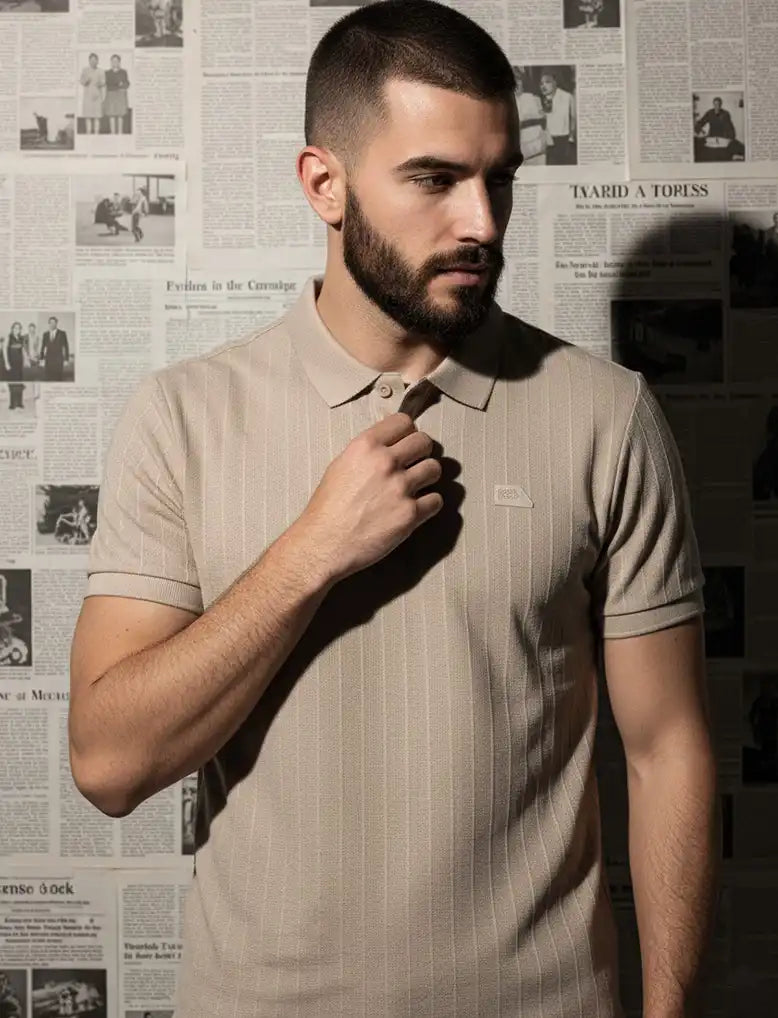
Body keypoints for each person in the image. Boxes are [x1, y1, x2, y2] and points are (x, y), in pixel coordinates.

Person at [69, 3, 718, 1016]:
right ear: (323, 184)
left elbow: (665, 747)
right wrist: (311, 552)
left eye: (499, 179)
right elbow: (109, 765)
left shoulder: (606, 415)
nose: (482, 224)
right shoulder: (182, 416)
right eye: (434, 179)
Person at [539, 68, 576, 164]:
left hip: (564, 139)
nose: (543, 86)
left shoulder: (567, 96)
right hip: (548, 139)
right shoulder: (541, 99)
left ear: (555, 82)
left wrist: (571, 137)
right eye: (541, 83)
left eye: (547, 82)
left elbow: (573, 117)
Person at [513, 67, 547, 165]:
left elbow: (543, 121)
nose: (517, 84)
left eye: (519, 80)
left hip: (537, 147)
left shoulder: (534, 99)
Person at [103, 54, 129, 135]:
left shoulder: (123, 72)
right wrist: (119, 84)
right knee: (112, 115)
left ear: (119, 62)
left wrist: (122, 84)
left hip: (120, 96)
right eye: (113, 61)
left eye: (116, 61)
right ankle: (112, 134)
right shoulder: (107, 73)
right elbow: (108, 84)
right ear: (111, 62)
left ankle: (120, 134)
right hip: (111, 95)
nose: (115, 63)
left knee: (120, 115)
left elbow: (127, 84)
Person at [80, 53, 105, 135]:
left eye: (95, 60)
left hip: (97, 96)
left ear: (97, 61)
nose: (93, 62)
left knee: (97, 117)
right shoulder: (85, 70)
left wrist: (100, 83)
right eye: (91, 60)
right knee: (88, 116)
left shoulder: (101, 71)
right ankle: (88, 134)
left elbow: (103, 82)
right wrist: (86, 80)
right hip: (88, 97)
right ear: (89, 61)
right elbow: (82, 82)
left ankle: (96, 134)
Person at [4, 321, 27, 410]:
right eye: (15, 327)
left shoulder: (21, 338)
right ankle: (12, 404)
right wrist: (6, 363)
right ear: (12, 328)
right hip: (11, 364)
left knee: (19, 383)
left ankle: (19, 403)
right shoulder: (8, 337)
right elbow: (4, 350)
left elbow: (23, 350)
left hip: (19, 364)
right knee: (13, 384)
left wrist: (26, 360)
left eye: (18, 328)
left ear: (20, 330)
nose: (17, 329)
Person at [40, 316, 69, 381]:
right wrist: (41, 359)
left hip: (58, 360)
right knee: (48, 378)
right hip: (48, 360)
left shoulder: (62, 333)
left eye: (54, 323)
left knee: (58, 379)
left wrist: (66, 359)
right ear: (49, 324)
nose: (52, 324)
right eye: (50, 323)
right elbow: (42, 347)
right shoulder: (45, 334)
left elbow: (66, 346)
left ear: (56, 323)